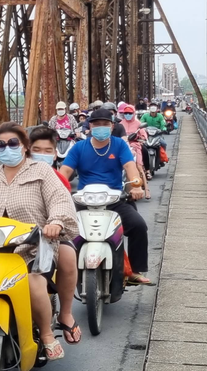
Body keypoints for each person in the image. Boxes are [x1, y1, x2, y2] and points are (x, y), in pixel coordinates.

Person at [0, 122, 79, 360]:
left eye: (12, 143)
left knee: (33, 282)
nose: (6, 148)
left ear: (25, 146)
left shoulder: (41, 172)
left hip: (34, 245)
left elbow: (60, 199)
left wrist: (56, 222)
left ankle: (47, 335)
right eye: (1, 144)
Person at [59, 109, 151, 285]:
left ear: (112, 126)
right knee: (61, 229)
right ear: (90, 126)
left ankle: (134, 271)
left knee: (138, 226)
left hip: (114, 200)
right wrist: (58, 189)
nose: (101, 127)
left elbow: (130, 168)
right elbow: (65, 172)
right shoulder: (79, 148)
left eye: (105, 124)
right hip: (84, 201)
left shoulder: (119, 145)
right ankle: (62, 268)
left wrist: (136, 186)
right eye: (97, 124)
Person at [29, 126, 81, 344]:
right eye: (36, 149)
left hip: (50, 234)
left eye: (47, 150)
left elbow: (63, 207)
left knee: (68, 256)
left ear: (54, 153)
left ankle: (65, 313)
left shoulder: (59, 179)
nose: (42, 154)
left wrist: (56, 223)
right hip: (13, 235)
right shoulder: (6, 174)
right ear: (27, 150)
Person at [121, 105, 152, 194]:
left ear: (133, 113)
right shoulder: (120, 124)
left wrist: (141, 138)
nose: (128, 115)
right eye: (126, 113)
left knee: (139, 165)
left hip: (135, 145)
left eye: (130, 113)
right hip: (123, 146)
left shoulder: (138, 123)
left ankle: (146, 190)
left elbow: (143, 135)